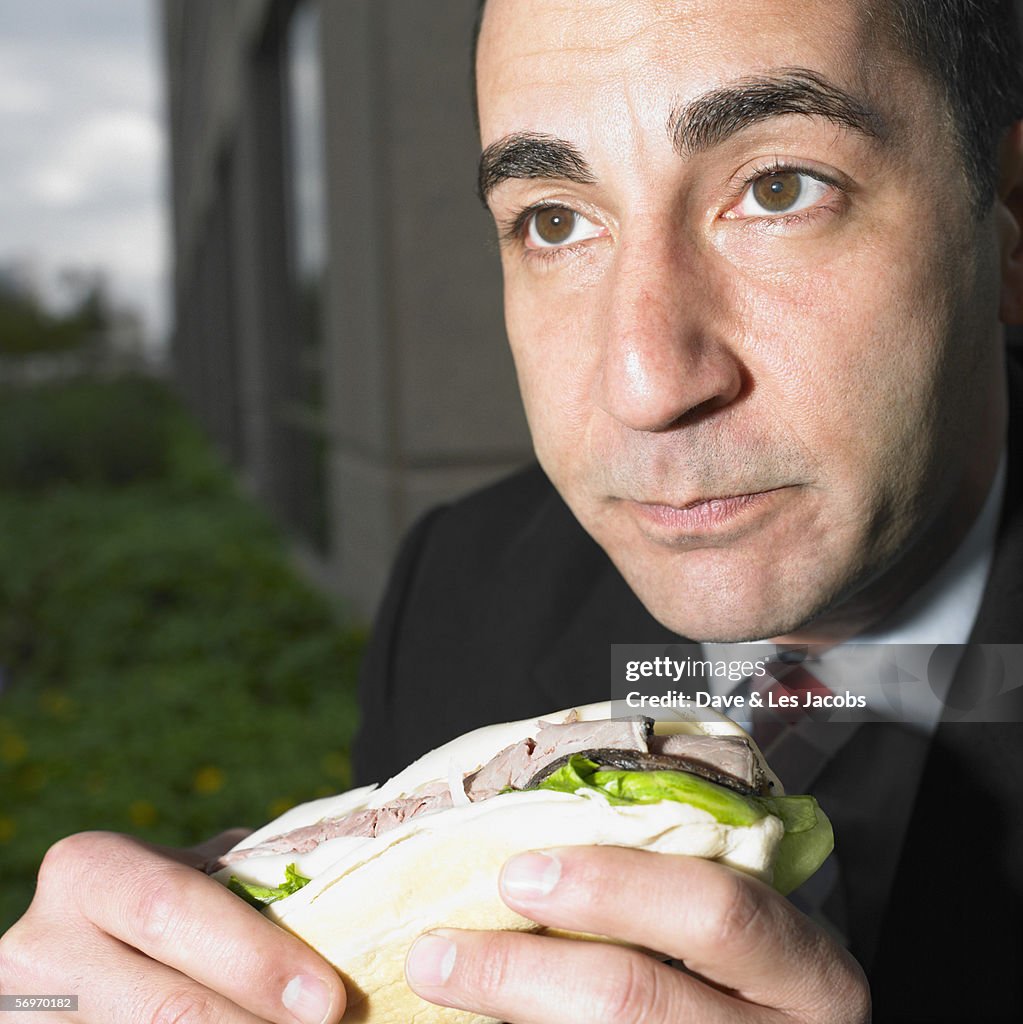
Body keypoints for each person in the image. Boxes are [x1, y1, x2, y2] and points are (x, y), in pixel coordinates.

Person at [1, 0, 1021, 1021]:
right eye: (556, 220)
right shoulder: (464, 582)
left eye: (778, 188)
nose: (645, 381)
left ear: (1007, 215)